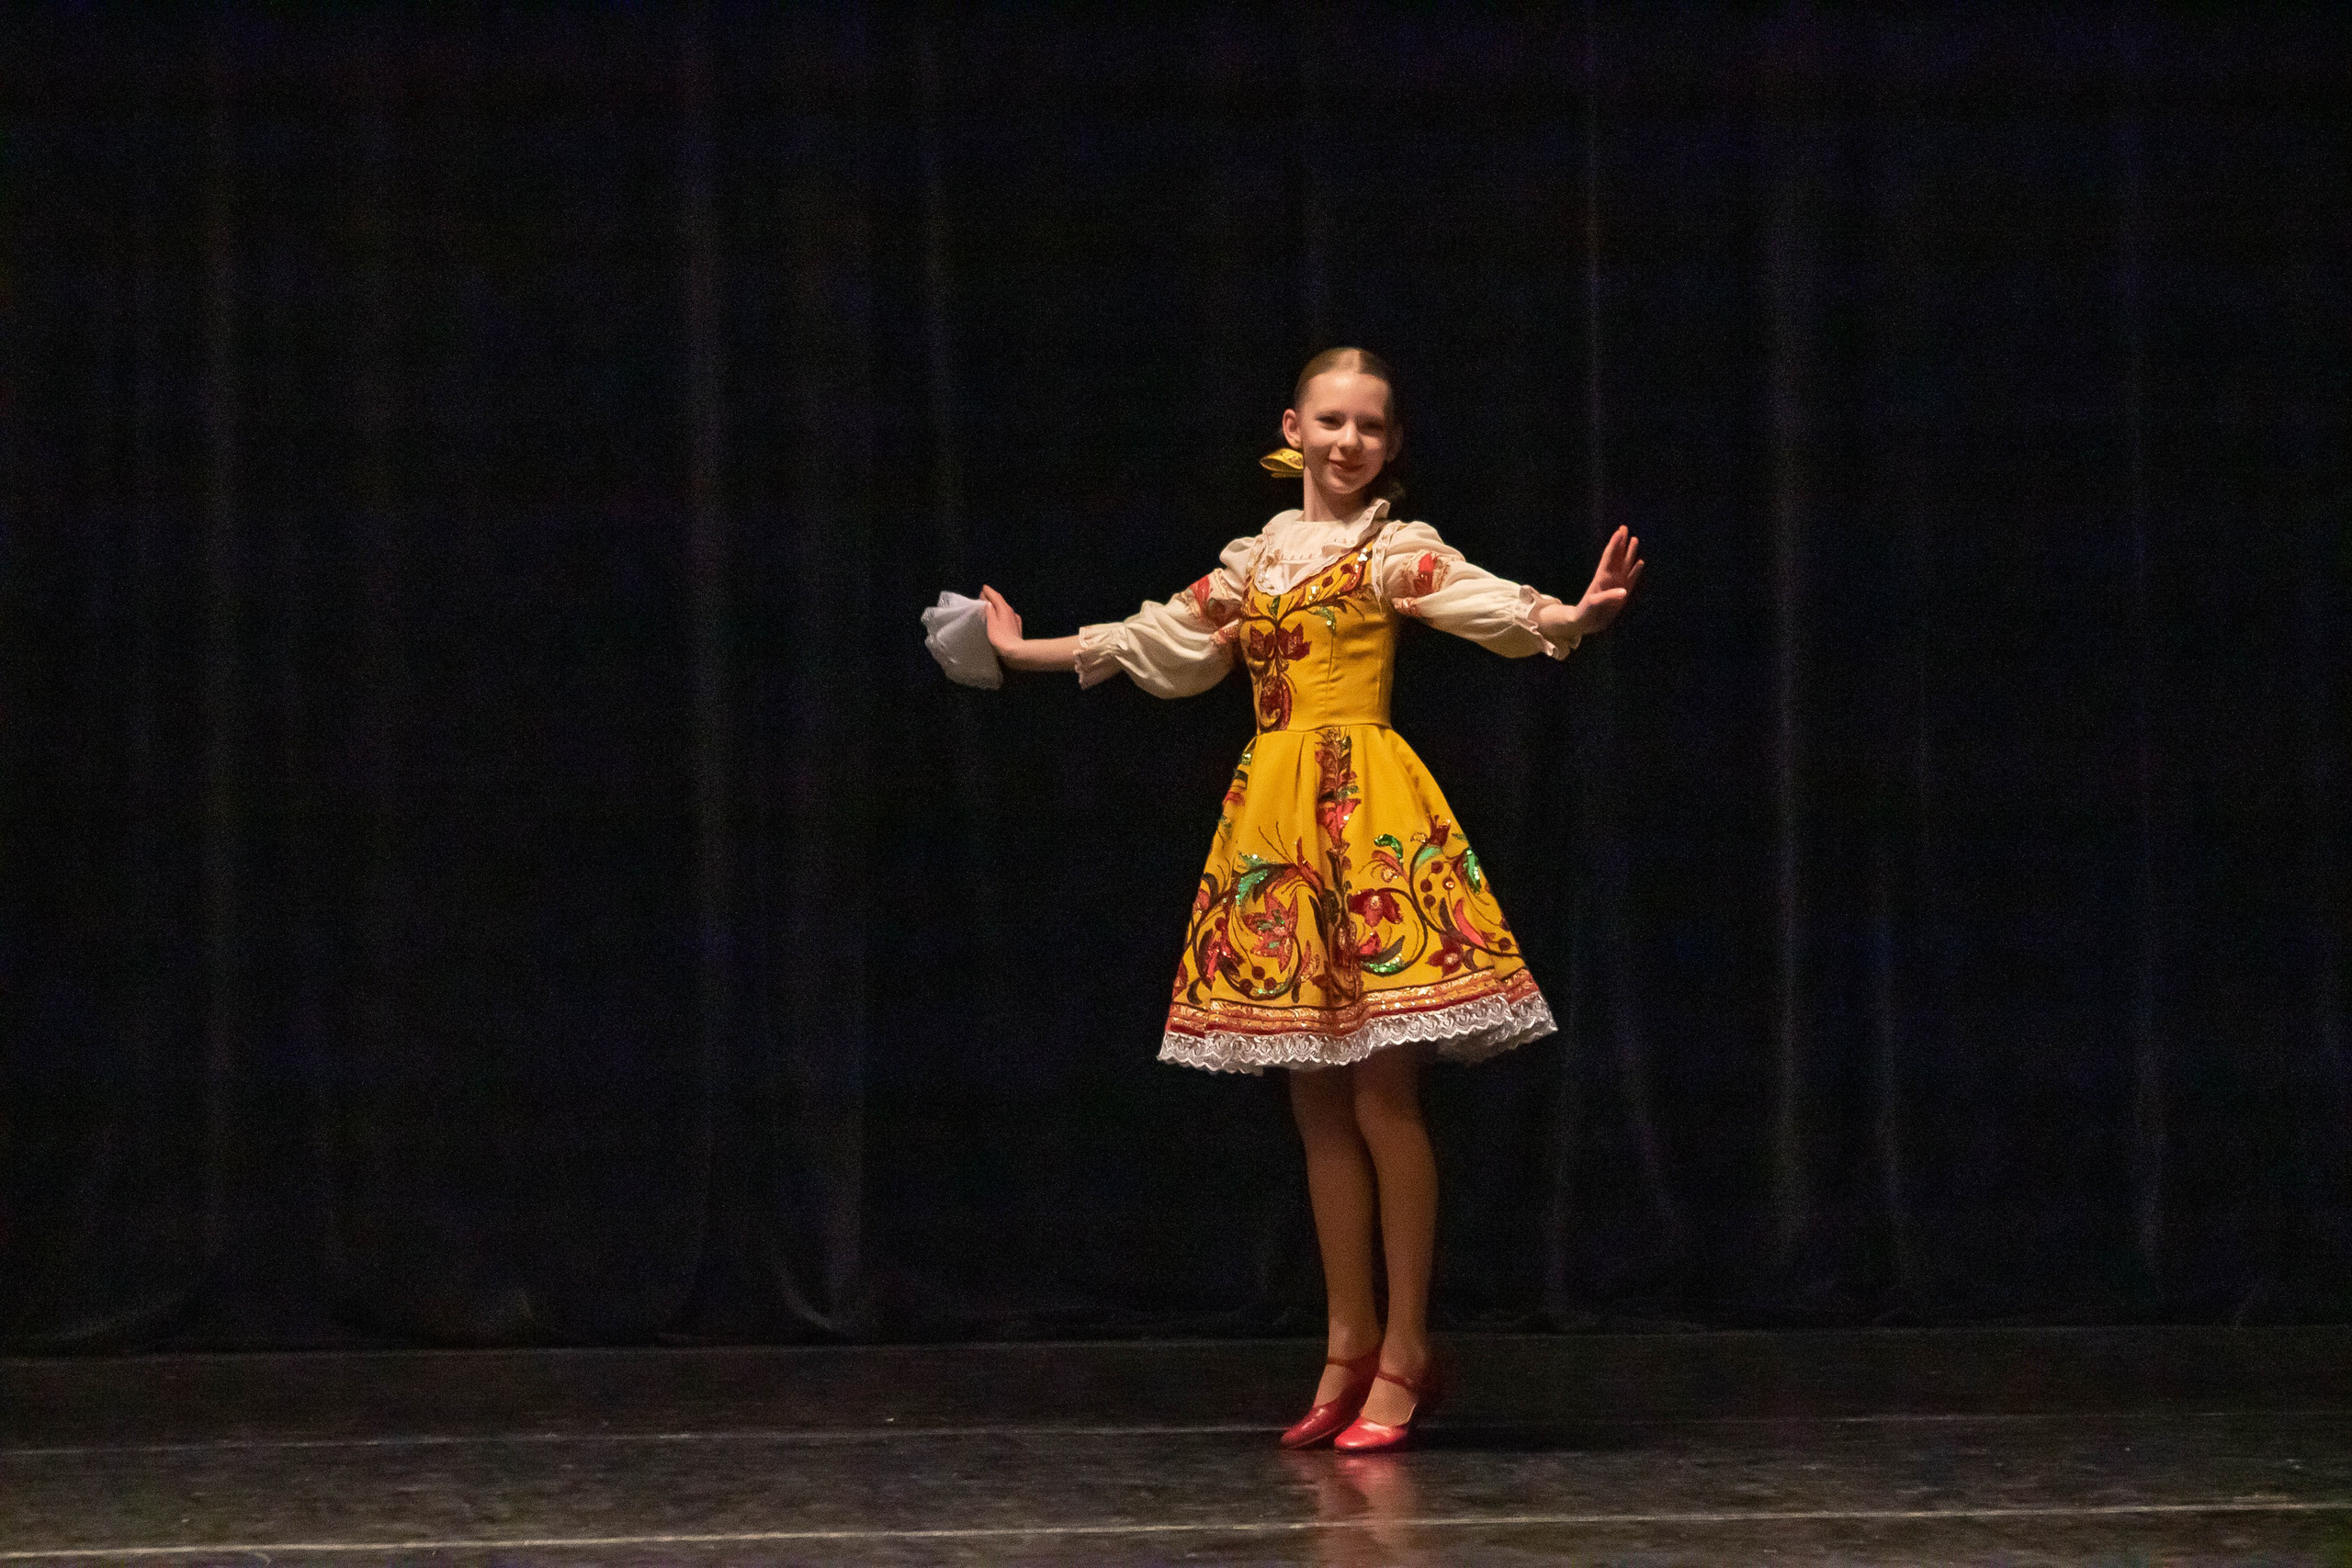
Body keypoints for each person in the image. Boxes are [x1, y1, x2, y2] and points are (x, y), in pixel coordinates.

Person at [976, 348, 1644, 1450]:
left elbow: (1490, 604)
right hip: (1277, 822)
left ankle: (1409, 1348)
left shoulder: (1390, 552)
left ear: (1391, 446)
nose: (1347, 442)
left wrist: (1573, 614)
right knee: (1315, 1103)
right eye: (1331, 420)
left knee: (1383, 1098)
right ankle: (1346, 1340)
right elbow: (1160, 639)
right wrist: (1017, 650)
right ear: (1293, 425)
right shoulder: (1257, 563)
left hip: (1366, 815)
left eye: (1369, 427)